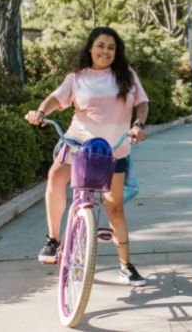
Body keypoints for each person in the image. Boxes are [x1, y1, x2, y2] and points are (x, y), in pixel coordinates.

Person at [25, 26, 150, 286]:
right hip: (79, 145)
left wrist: (139, 125)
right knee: (56, 177)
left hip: (115, 149)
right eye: (101, 45)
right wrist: (40, 112)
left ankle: (126, 266)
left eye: (111, 47)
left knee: (114, 206)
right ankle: (53, 240)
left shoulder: (126, 76)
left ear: (117, 52)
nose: (106, 51)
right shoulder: (77, 78)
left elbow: (142, 103)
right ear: (91, 48)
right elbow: (55, 99)